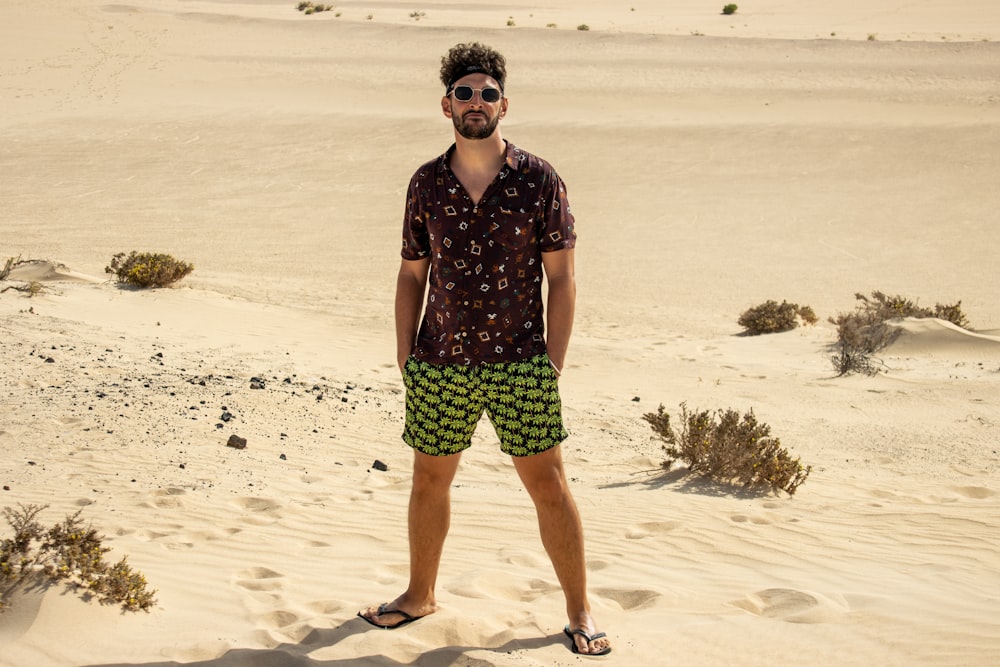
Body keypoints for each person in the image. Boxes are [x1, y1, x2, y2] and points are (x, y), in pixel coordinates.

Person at [358, 42, 611, 657]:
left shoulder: (538, 179)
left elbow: (564, 277)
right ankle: (420, 596)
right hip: (440, 361)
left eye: (488, 93)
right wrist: (403, 352)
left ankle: (579, 610)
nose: (476, 103)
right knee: (427, 482)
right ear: (446, 104)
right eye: (464, 93)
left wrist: (553, 359)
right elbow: (411, 273)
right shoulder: (426, 183)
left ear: (505, 104)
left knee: (549, 485)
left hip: (520, 360)